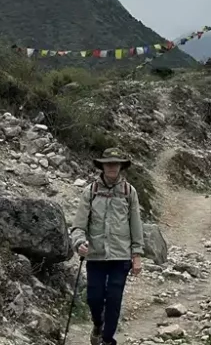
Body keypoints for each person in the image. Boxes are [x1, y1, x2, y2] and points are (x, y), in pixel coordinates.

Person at [70, 147, 145, 345]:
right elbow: (78, 225)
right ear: (102, 166)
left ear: (121, 166)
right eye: (108, 163)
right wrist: (79, 243)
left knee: (113, 299)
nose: (112, 167)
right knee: (94, 297)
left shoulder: (129, 192)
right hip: (95, 255)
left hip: (121, 257)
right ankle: (97, 323)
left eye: (116, 163)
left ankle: (107, 340)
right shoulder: (91, 191)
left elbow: (136, 225)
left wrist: (136, 255)